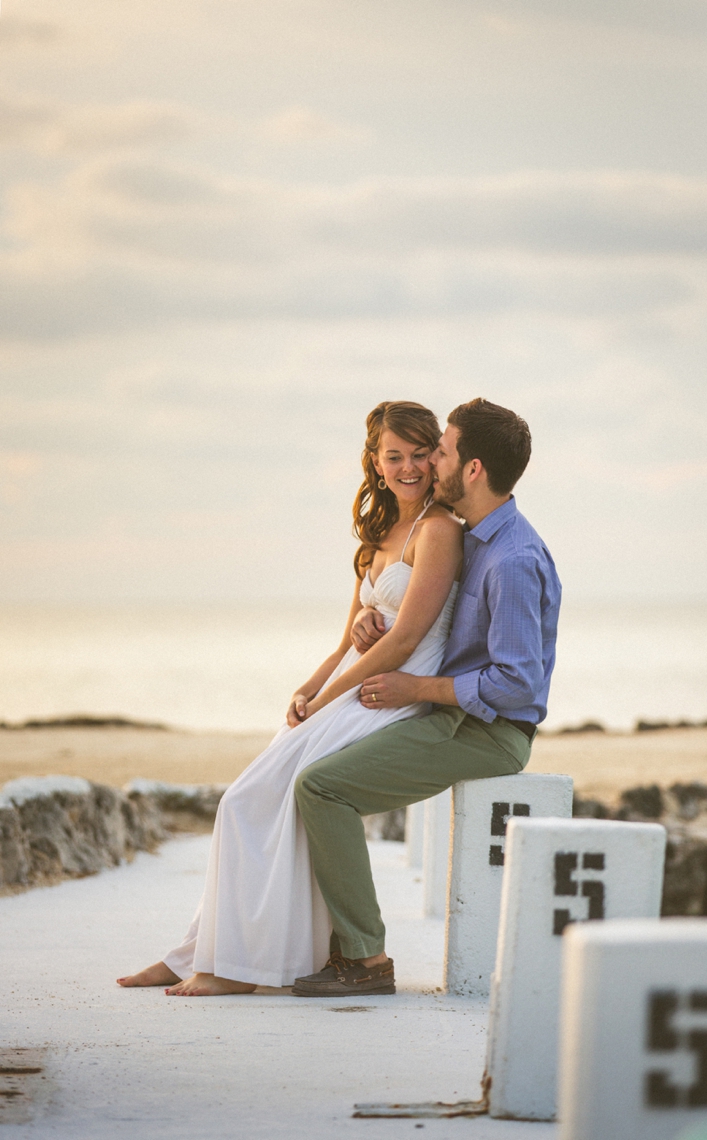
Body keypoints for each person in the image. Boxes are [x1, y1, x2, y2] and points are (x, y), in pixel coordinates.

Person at [117, 400, 463, 996]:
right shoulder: (380, 533)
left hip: (390, 694)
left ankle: (237, 967)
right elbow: (348, 640)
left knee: (251, 801)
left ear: (436, 457)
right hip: (352, 684)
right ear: (376, 464)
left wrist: (331, 694)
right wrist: (309, 685)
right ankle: (199, 953)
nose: (407, 467)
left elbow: (406, 639)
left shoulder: (439, 532)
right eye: (393, 456)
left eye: (418, 454)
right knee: (247, 801)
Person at [290, 397, 561, 997]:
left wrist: (416, 688)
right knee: (307, 772)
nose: (430, 460)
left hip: (487, 732)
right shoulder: (473, 536)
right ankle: (311, 941)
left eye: (441, 450)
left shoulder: (512, 559)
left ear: (472, 469)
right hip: (445, 713)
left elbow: (518, 684)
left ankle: (364, 960)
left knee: (322, 787)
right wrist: (370, 615)